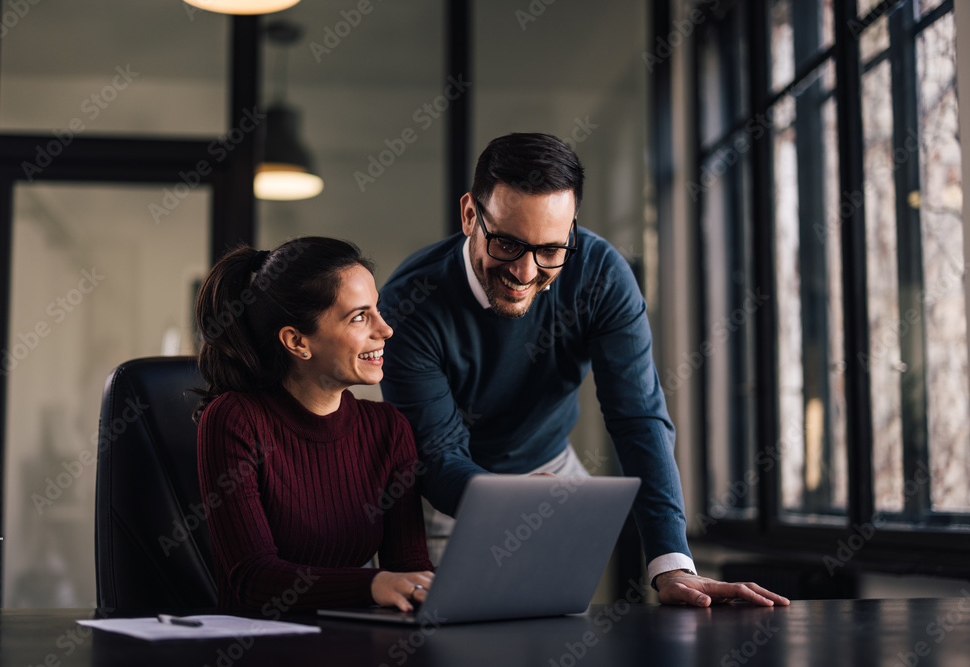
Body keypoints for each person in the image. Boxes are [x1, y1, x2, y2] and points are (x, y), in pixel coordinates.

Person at [378, 133, 788, 607]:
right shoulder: (407, 305)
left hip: (552, 472)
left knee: (555, 638)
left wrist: (672, 561)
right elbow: (440, 455)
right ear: (471, 214)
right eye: (508, 244)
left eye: (551, 250)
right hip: (449, 496)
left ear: (571, 228)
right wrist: (510, 501)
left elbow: (638, 418)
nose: (527, 273)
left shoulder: (601, 275)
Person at [195, 237, 433, 612]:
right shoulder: (234, 420)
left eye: (378, 309)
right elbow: (252, 579)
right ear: (297, 341)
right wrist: (372, 585)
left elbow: (408, 568)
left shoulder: (389, 429)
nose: (385, 329)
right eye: (359, 316)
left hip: (356, 646)